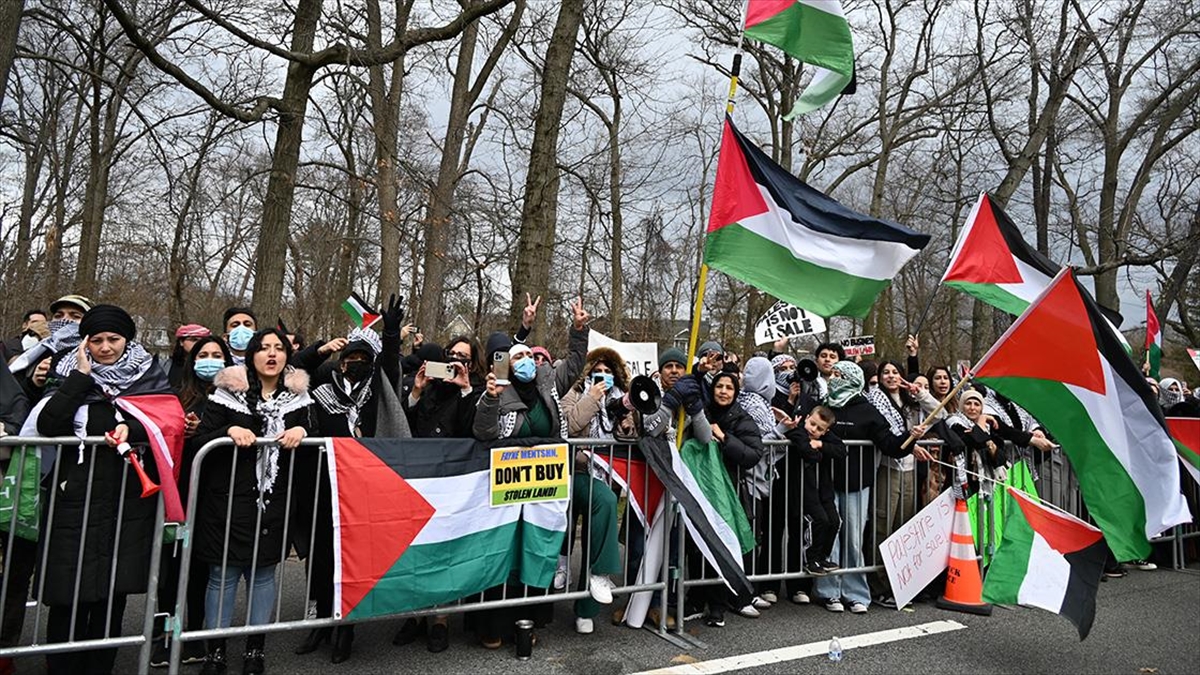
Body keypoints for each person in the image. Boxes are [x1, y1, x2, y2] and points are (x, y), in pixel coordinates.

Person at [33, 304, 181, 675]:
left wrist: (136, 425)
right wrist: (81, 376)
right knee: (68, 597)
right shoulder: (66, 373)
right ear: (85, 342)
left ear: (127, 340)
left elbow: (167, 422)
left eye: (113, 339)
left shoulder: (148, 377)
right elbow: (50, 424)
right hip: (73, 503)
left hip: (125, 504)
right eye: (95, 340)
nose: (105, 348)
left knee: (110, 597)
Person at [191, 328, 313, 675]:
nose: (271, 354)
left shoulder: (299, 400)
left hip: (272, 501)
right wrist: (227, 432)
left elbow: (314, 434)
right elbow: (199, 440)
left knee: (262, 575)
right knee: (222, 575)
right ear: (250, 355)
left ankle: (254, 649)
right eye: (263, 348)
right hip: (227, 501)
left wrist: (302, 432)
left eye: (279, 349)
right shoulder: (225, 394)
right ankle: (215, 651)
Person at [300, 295, 403, 663]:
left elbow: (391, 365)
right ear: (340, 362)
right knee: (323, 556)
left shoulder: (376, 390)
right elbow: (294, 368)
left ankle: (347, 629)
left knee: (355, 558)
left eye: (362, 359)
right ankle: (321, 623)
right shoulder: (323, 389)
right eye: (349, 358)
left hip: (364, 488)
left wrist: (390, 334)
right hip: (325, 486)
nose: (354, 363)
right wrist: (321, 349)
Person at [812, 361, 932, 615]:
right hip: (826, 482)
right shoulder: (824, 406)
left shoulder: (867, 410)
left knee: (854, 539)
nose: (832, 378)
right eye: (832, 374)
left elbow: (889, 444)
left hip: (856, 483)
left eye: (838, 375)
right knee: (830, 540)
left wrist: (911, 437)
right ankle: (829, 591)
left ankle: (855, 592)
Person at [151, 335, 234, 667]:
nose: (210, 359)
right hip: (177, 493)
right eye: (203, 354)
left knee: (202, 567)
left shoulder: (234, 396)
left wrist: (206, 432)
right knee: (169, 568)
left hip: (214, 495)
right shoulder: (174, 393)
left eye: (217, 354)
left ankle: (195, 633)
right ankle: (163, 633)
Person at [559, 347, 630, 635]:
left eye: (609, 373)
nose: (603, 376)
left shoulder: (622, 400)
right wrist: (592, 398)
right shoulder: (575, 393)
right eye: (598, 372)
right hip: (574, 474)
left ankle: (587, 605)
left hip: (606, 476)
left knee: (597, 527)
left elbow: (627, 437)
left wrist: (627, 422)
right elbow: (570, 425)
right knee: (601, 502)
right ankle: (568, 570)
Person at [688, 371, 763, 628]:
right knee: (697, 547)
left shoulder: (742, 418)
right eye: (718, 386)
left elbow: (753, 454)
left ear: (735, 392)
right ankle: (696, 598)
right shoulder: (701, 413)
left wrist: (724, 437)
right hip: (699, 490)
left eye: (728, 388)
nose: (722, 391)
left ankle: (719, 604)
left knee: (722, 546)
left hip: (728, 492)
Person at [167, 324, 213, 389]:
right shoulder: (166, 366)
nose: (198, 344)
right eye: (194, 340)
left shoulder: (211, 365)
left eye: (203, 341)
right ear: (181, 342)